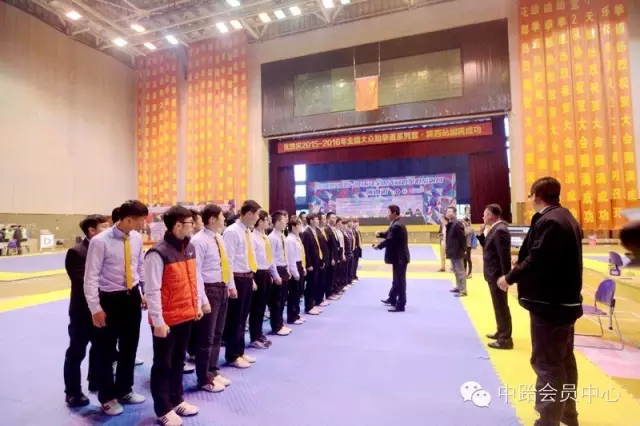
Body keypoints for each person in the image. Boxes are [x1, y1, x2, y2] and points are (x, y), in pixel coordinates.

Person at [497, 177, 583, 426]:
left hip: (550, 305)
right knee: (564, 360)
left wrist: (510, 277)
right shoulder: (565, 217)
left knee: (547, 364)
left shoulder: (551, 221)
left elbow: (538, 259)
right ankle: (568, 414)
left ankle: (548, 420)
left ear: (536, 195)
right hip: (563, 303)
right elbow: (544, 256)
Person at [84, 200, 149, 416]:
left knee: (130, 347)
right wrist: (95, 308)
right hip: (109, 300)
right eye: (141, 220)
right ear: (128, 219)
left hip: (131, 298)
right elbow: (90, 277)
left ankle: (124, 389)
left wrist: (143, 292)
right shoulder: (100, 241)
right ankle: (107, 397)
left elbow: (139, 267)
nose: (143, 224)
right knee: (106, 350)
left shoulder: (136, 238)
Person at [145, 206, 202, 426]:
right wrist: (158, 321)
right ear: (178, 225)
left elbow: (193, 279)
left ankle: (177, 399)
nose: (193, 226)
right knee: (163, 364)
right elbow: (152, 290)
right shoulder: (157, 253)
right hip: (166, 320)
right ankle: (163, 408)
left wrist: (196, 304)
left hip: (185, 315)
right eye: (190, 223)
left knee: (178, 362)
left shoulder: (189, 248)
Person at [63, 214, 110, 407]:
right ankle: (72, 392)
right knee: (76, 352)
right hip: (82, 313)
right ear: (91, 230)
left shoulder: (106, 248)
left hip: (102, 310)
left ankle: (95, 379)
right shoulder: (77, 252)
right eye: (104, 226)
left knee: (100, 349)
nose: (109, 230)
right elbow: (84, 282)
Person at [190, 204, 233, 392]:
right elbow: (196, 272)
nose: (224, 219)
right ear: (213, 219)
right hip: (209, 290)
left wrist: (229, 285)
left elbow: (225, 263)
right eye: (222, 216)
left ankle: (213, 370)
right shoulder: (198, 241)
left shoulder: (218, 237)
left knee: (217, 334)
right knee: (205, 337)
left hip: (221, 287)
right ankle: (204, 378)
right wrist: (203, 299)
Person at [222, 200, 261, 368]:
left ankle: (240, 351)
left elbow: (247, 257)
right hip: (237, 279)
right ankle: (232, 355)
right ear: (249, 214)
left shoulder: (247, 231)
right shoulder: (232, 232)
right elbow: (228, 261)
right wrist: (230, 285)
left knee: (243, 318)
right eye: (257, 214)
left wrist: (251, 278)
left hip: (247, 277)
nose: (258, 218)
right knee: (235, 319)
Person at [476, 204, 513, 350]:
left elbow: (504, 256)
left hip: (498, 276)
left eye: (484, 214)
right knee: (498, 306)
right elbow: (487, 247)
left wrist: (506, 277)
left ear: (490, 215)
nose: (483, 217)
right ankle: (501, 330)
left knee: (501, 306)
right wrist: (481, 234)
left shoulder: (500, 230)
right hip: (493, 275)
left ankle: (505, 338)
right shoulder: (494, 229)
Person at [249, 210, 279, 349]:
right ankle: (254, 337)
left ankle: (259, 333)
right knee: (256, 307)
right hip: (257, 273)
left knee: (262, 307)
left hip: (266, 272)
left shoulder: (264, 237)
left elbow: (270, 258)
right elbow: (250, 259)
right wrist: (252, 278)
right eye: (267, 220)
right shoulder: (252, 237)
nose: (269, 222)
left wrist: (273, 274)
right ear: (260, 221)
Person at [375, 205, 410, 312]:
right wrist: (380, 234)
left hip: (400, 258)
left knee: (400, 281)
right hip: (398, 257)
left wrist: (378, 246)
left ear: (394, 213)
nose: (387, 214)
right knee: (396, 280)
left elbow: (390, 239)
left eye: (388, 212)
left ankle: (401, 305)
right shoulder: (396, 223)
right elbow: (389, 234)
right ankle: (392, 298)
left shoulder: (397, 225)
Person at [267, 211, 293, 335]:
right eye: (283, 220)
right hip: (277, 269)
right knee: (276, 301)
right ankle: (276, 326)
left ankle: (280, 323)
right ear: (277, 222)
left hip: (283, 268)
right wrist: (275, 275)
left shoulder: (282, 235)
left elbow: (284, 254)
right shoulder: (272, 238)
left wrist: (287, 269)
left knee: (283, 299)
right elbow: (271, 258)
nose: (286, 222)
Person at [301, 213, 324, 316]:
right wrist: (308, 264)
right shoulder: (306, 233)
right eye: (316, 219)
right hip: (311, 264)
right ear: (310, 221)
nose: (318, 221)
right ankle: (308, 306)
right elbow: (306, 251)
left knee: (315, 284)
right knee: (310, 285)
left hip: (317, 261)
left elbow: (317, 248)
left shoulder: (315, 231)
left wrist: (320, 260)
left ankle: (313, 304)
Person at [286, 216, 306, 325]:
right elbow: (291, 257)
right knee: (294, 293)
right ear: (293, 226)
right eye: (299, 224)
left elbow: (300, 254)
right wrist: (295, 272)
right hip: (294, 265)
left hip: (299, 264)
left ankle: (296, 314)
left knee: (299, 292)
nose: (301, 226)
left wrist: (303, 267)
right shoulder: (290, 240)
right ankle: (291, 316)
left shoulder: (297, 238)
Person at [445, 207, 467, 297]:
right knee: (455, 271)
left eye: (449, 211)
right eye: (447, 211)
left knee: (460, 271)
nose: (447, 213)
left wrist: (463, 250)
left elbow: (462, 238)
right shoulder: (450, 224)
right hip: (452, 251)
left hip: (457, 251)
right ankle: (458, 286)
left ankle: (463, 290)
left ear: (454, 213)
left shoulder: (458, 224)